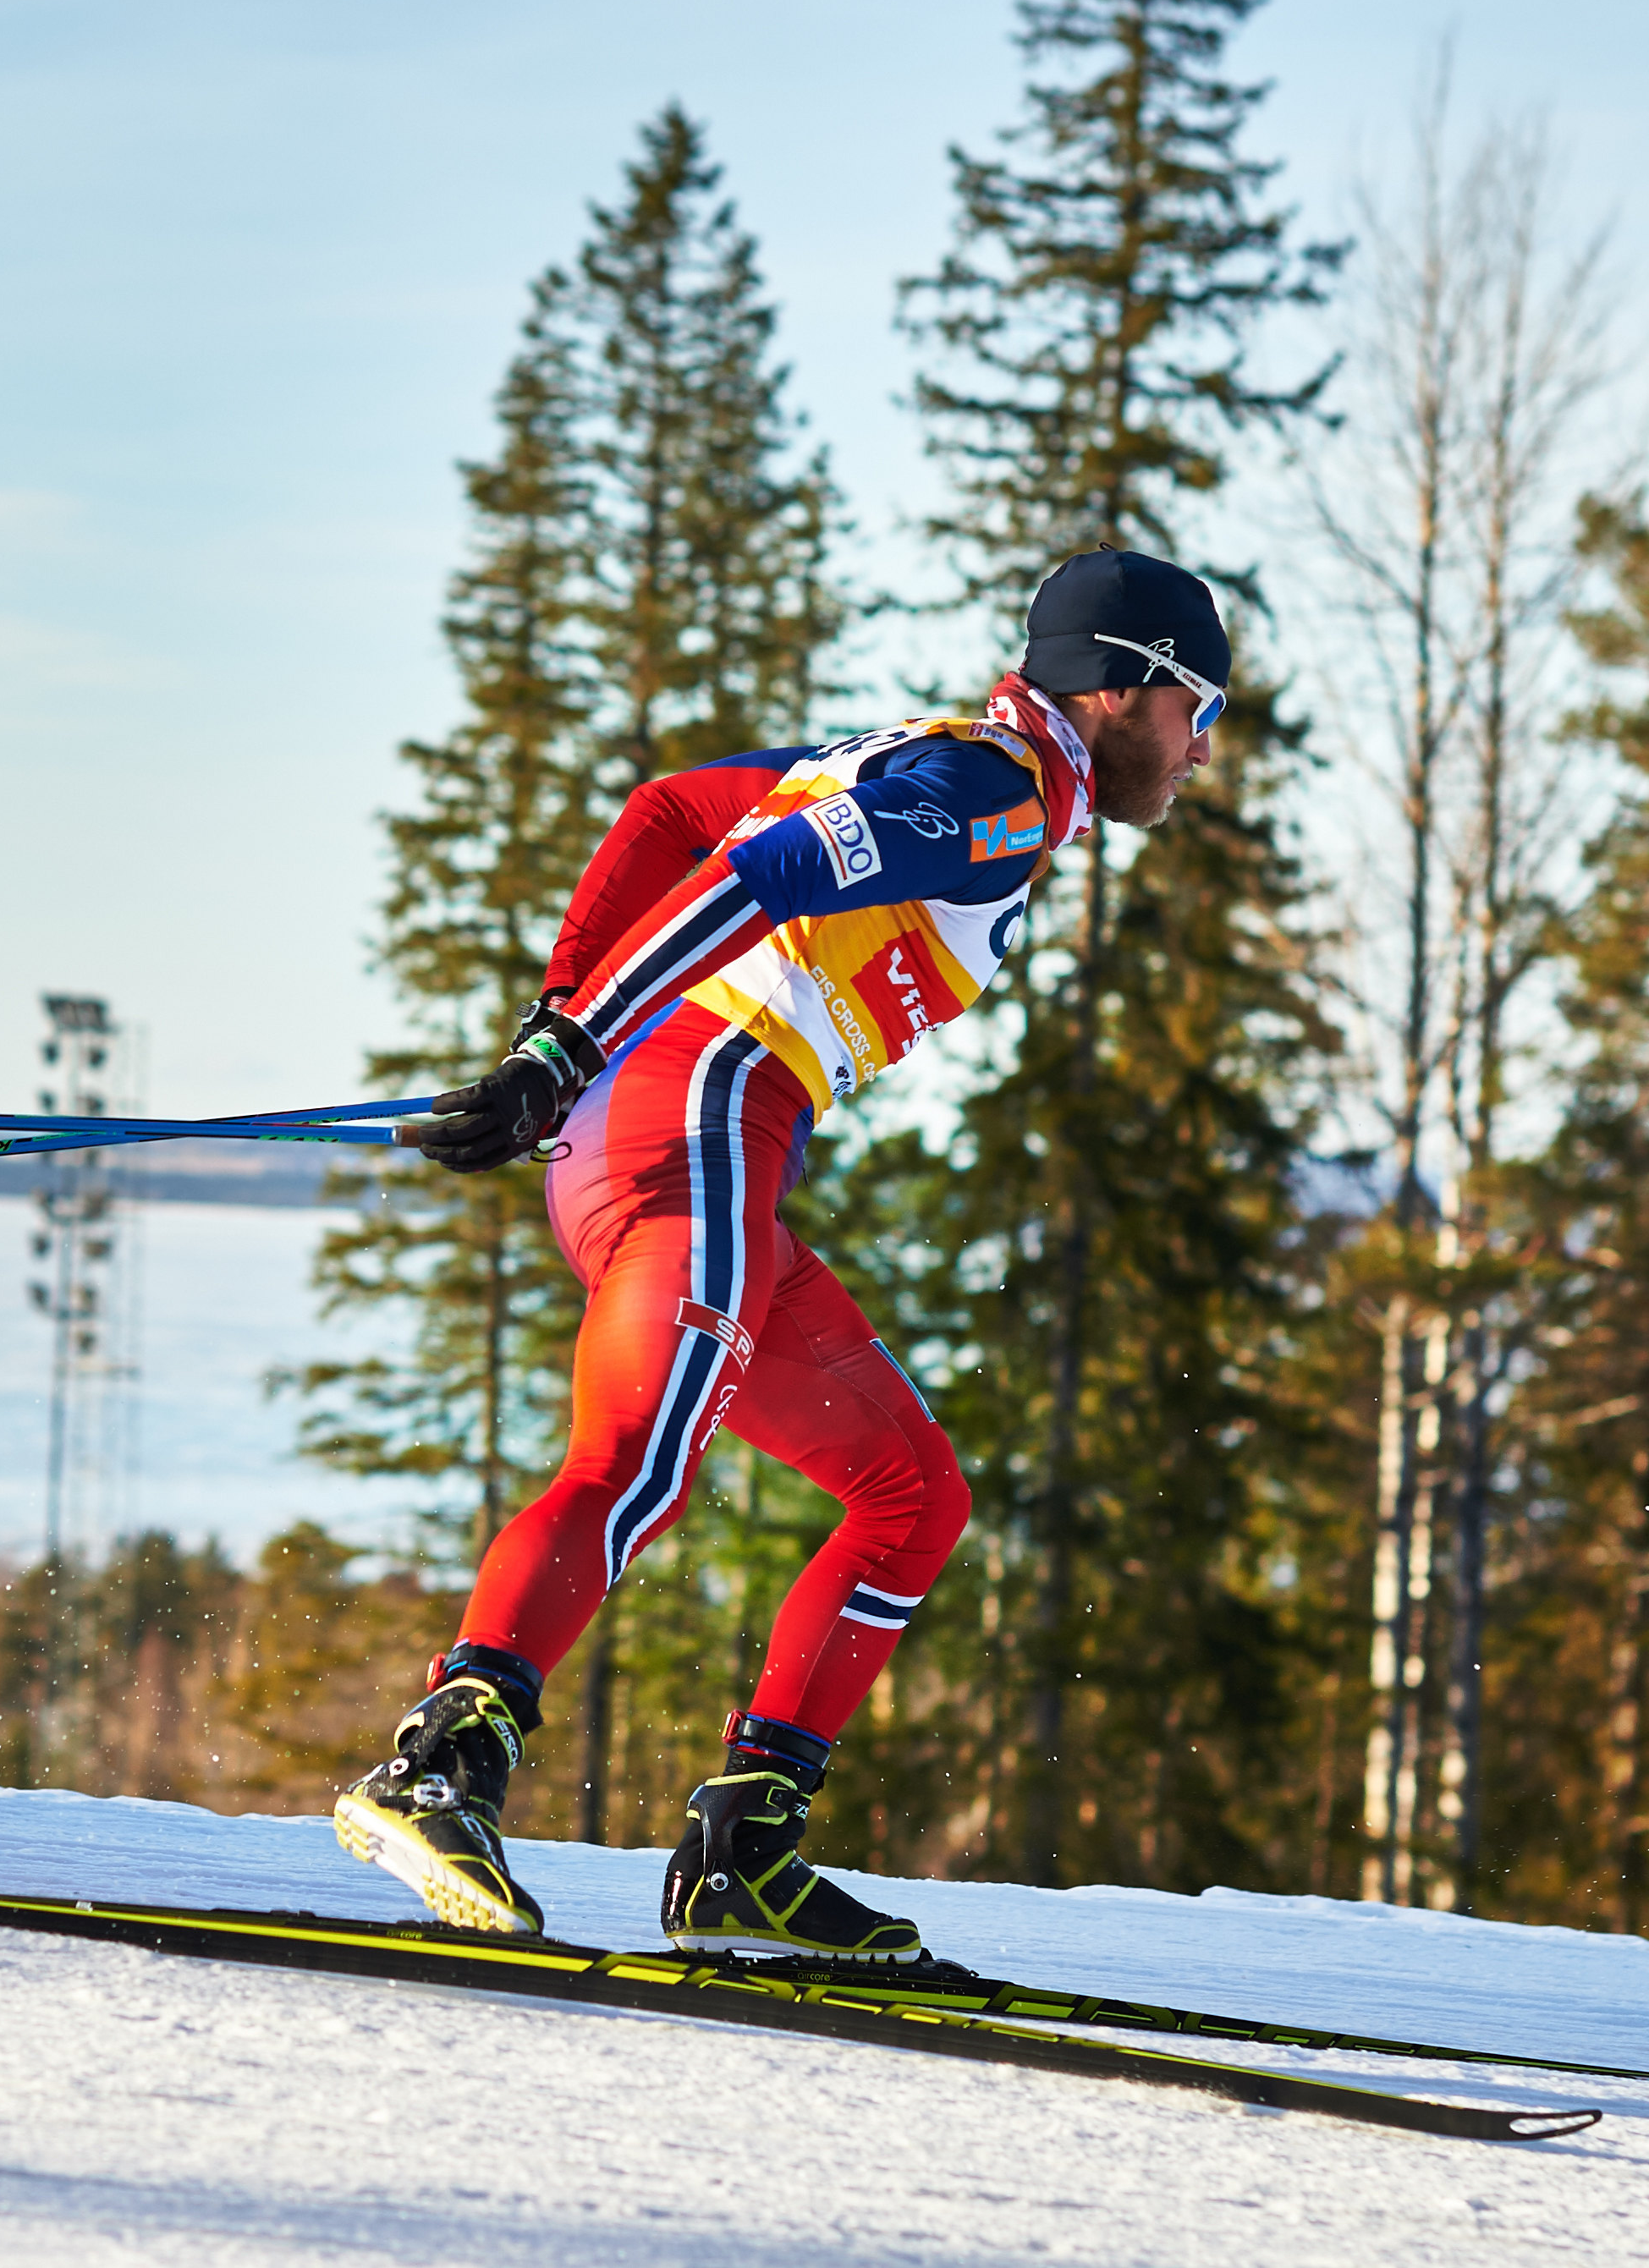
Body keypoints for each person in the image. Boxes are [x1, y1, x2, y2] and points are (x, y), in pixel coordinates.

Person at [332, 546, 1234, 1959]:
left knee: (910, 1494)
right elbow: (755, 875)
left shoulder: (936, 759)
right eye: (1204, 714)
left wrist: (565, 1024)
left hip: (701, 1125)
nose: (1199, 757)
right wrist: (567, 1042)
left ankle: (745, 1843)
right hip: (696, 1103)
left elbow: (669, 809)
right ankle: (443, 1762)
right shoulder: (999, 794)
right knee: (638, 1453)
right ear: (1128, 689)